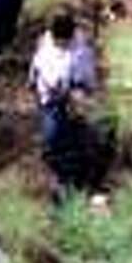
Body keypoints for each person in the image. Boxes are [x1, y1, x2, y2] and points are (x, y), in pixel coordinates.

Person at [28, 11, 98, 199]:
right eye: (58, 41)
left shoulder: (81, 50)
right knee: (52, 134)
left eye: (64, 41)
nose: (61, 44)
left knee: (75, 135)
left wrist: (84, 90)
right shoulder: (46, 47)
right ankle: (57, 170)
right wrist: (36, 83)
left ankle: (75, 175)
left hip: (74, 98)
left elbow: (87, 74)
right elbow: (39, 68)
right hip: (51, 98)